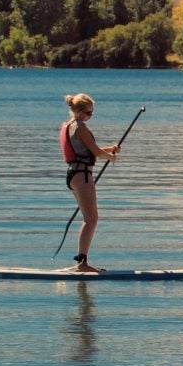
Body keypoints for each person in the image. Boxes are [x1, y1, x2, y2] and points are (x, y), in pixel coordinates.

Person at [60, 92, 118, 274]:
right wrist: (109, 156)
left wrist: (108, 150)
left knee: (90, 218)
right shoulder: (80, 127)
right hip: (82, 176)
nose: (90, 116)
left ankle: (82, 262)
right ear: (78, 111)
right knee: (91, 219)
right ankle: (82, 264)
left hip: (74, 175)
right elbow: (96, 152)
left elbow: (88, 151)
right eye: (88, 113)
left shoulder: (69, 125)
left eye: (92, 113)